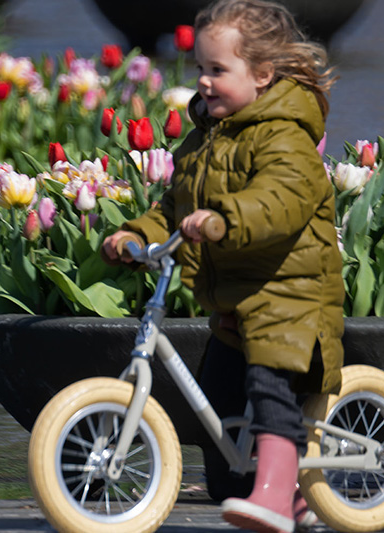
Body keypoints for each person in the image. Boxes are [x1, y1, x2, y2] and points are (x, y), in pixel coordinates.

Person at [101, 0, 344, 531]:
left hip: (288, 290)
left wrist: (224, 218)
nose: (204, 83)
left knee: (269, 384)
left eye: (218, 70)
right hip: (237, 296)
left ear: (261, 75)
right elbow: (174, 207)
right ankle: (280, 494)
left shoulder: (286, 136)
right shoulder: (204, 140)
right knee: (220, 387)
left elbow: (280, 201)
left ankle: (278, 495)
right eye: (200, 70)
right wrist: (135, 235)